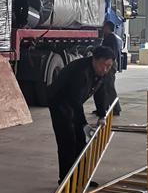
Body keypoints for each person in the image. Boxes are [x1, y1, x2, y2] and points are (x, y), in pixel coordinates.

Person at [47, 46, 115, 184]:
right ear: (94, 60)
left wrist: (102, 115)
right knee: (67, 141)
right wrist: (83, 124)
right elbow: (74, 101)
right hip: (60, 104)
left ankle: (81, 178)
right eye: (103, 65)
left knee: (81, 142)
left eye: (109, 66)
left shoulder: (102, 72)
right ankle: (66, 180)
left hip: (74, 103)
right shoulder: (80, 71)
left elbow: (101, 93)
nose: (105, 69)